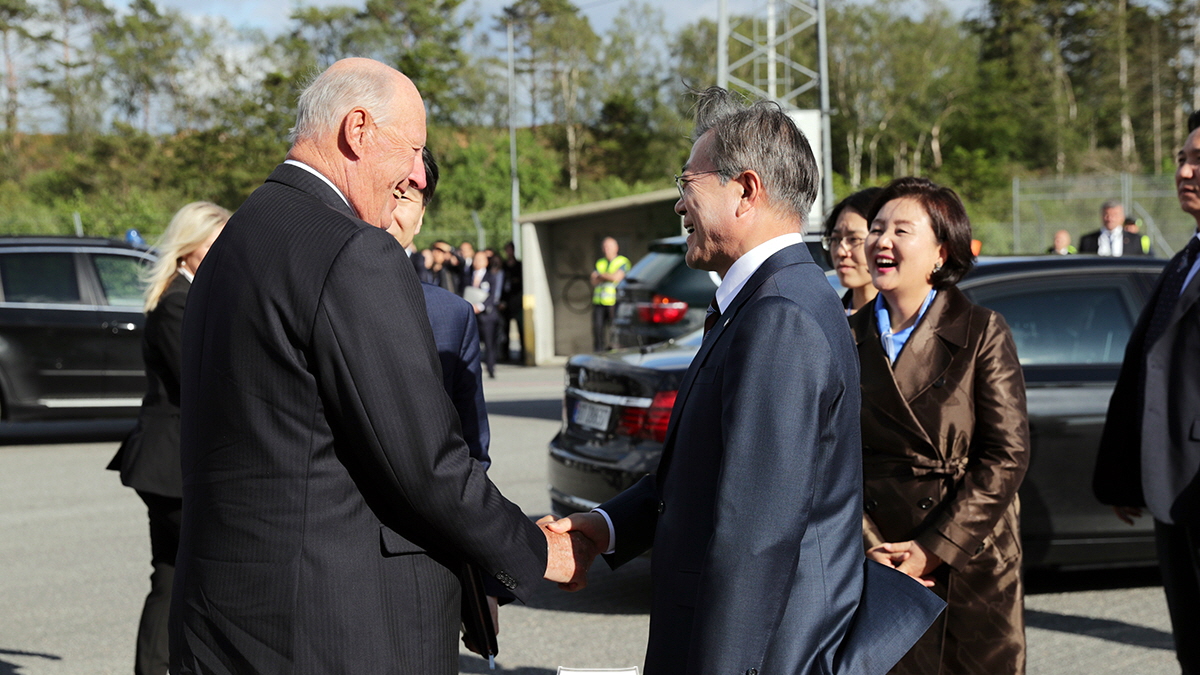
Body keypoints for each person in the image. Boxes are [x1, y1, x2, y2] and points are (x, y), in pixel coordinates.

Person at [169, 58, 583, 674]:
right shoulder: (352, 250)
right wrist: (539, 551)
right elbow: (426, 464)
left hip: (230, 618)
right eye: (414, 149)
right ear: (357, 130)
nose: (417, 173)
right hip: (334, 630)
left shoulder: (240, 235)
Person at [546, 87, 942, 675]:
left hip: (766, 652)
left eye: (688, 185)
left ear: (747, 191)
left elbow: (758, 535)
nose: (679, 206)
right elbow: (705, 476)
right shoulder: (764, 301)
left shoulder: (779, 313)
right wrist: (605, 528)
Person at [850, 176, 1030, 674]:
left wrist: (933, 549)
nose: (881, 242)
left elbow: (1006, 455)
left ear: (941, 252)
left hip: (970, 556)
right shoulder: (844, 336)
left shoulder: (981, 331)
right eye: (877, 228)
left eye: (901, 230)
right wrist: (871, 545)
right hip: (880, 558)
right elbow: (828, 456)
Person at [1093, 109, 1200, 673]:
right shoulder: (1183, 261)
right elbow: (1147, 374)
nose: (1185, 170)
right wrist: (1125, 475)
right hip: (1174, 491)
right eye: (1182, 158)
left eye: (1199, 159)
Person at [106, 201, 229, 675]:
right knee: (195, 573)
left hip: (166, 460)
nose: (223, 254)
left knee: (172, 573)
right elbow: (198, 380)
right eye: (216, 244)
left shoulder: (184, 292)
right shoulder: (179, 300)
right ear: (191, 246)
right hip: (170, 461)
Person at [822, 187, 882, 315]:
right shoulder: (827, 320)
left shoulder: (912, 322)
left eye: (854, 239)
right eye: (835, 239)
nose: (841, 252)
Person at [589, 236, 630, 351]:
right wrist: (607, 276)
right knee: (597, 331)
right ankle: (598, 353)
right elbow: (593, 280)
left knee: (615, 332)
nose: (607, 249)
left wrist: (602, 276)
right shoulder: (600, 262)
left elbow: (616, 278)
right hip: (599, 303)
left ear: (616, 248)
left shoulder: (622, 261)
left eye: (609, 247)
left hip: (614, 302)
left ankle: (614, 353)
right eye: (605, 247)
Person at [467, 250, 503, 379]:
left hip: (487, 316)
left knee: (489, 343)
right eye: (475, 259)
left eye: (480, 260)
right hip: (472, 314)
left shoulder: (490, 276)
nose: (477, 262)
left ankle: (491, 368)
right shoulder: (468, 275)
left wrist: (480, 306)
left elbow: (492, 295)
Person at [1079, 200, 1145, 256]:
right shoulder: (1088, 241)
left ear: (1122, 217)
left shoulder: (1135, 239)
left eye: (1114, 215)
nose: (1110, 219)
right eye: (1106, 215)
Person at [501, 241, 524, 363]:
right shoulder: (504, 267)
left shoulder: (519, 266)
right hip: (506, 303)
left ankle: (523, 354)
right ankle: (505, 355)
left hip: (517, 302)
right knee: (505, 330)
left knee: (521, 329)